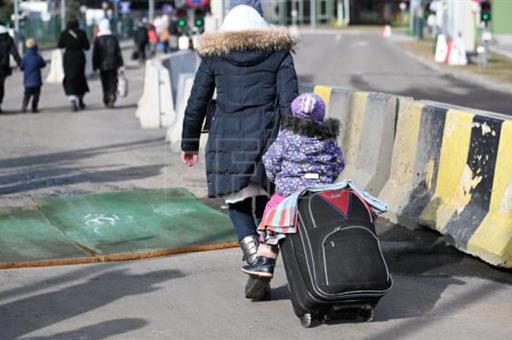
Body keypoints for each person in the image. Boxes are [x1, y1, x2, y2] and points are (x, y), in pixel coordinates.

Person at [180, 2, 298, 300]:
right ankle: (265, 254)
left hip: (228, 141)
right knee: (270, 204)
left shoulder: (214, 55)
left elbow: (197, 100)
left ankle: (253, 253)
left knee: (238, 204)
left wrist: (189, 143)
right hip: (267, 140)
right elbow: (290, 101)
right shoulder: (278, 52)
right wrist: (295, 141)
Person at [242, 93, 345, 278]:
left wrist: (276, 180)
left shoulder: (287, 135)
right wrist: (327, 180)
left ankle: (265, 261)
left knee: (271, 217)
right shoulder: (329, 138)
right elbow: (338, 163)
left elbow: (271, 161)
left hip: (288, 193)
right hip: (319, 193)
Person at [58, 19, 90, 112]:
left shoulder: (64, 33)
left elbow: (59, 45)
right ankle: (81, 99)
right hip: (79, 57)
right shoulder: (82, 33)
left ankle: (72, 99)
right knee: (80, 77)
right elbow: (87, 46)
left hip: (68, 58)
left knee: (70, 78)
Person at [93, 19, 124, 108]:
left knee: (105, 82)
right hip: (113, 63)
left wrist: (95, 66)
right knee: (113, 80)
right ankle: (112, 95)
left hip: (102, 65)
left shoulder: (98, 39)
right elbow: (118, 52)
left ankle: (106, 97)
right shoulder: (113, 38)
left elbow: (95, 54)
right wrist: (120, 64)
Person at [0, 21, 21, 113]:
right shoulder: (8, 38)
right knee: (1, 86)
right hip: (3, 66)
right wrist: (21, 64)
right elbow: (14, 52)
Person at [20, 38, 46, 113]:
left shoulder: (25, 58)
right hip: (37, 82)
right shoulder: (38, 57)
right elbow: (43, 64)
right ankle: (34, 108)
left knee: (26, 95)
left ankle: (24, 107)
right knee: (36, 96)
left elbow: (21, 67)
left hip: (27, 82)